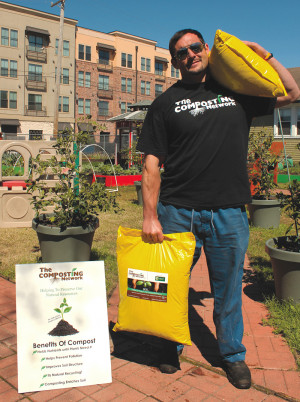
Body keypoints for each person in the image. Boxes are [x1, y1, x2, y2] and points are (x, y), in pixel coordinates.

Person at [136, 28, 300, 389]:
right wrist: (150, 216)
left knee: (227, 289)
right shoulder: (164, 104)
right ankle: (169, 345)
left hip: (228, 211)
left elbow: (292, 93)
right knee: (172, 285)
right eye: (182, 52)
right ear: (175, 61)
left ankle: (232, 355)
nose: (191, 54)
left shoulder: (238, 91)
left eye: (195, 47)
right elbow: (150, 164)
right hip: (178, 210)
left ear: (207, 49)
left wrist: (264, 53)